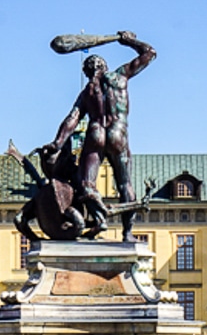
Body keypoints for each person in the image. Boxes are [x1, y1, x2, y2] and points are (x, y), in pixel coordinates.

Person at [45, 31, 155, 242]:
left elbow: (72, 119)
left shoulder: (86, 93)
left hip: (96, 133)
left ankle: (99, 217)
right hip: (118, 133)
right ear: (104, 66)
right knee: (124, 184)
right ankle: (128, 233)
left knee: (86, 184)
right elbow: (150, 52)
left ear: (87, 72)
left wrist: (57, 143)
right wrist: (128, 40)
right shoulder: (120, 76)